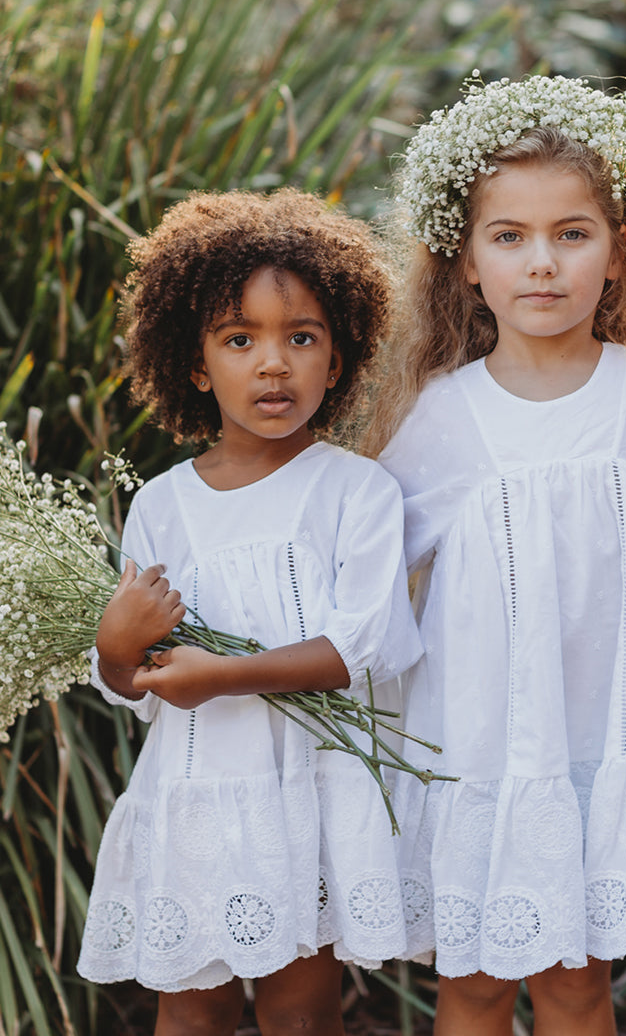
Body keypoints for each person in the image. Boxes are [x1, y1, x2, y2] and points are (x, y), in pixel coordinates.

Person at [364, 74, 626, 1036]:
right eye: (508, 237)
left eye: (573, 233)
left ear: (619, 252)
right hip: (483, 741)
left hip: (601, 739)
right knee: (474, 982)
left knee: (576, 979)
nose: (542, 263)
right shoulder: (444, 416)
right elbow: (359, 558)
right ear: (467, 264)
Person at [77, 189, 422, 1036]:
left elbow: (361, 645)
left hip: (298, 789)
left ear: (337, 361)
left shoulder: (355, 491)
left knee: (300, 1012)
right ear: (196, 365)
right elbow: (138, 677)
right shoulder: (164, 505)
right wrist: (114, 649)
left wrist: (224, 675)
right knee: (189, 1011)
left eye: (301, 338)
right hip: (197, 789)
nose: (274, 364)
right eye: (241, 340)